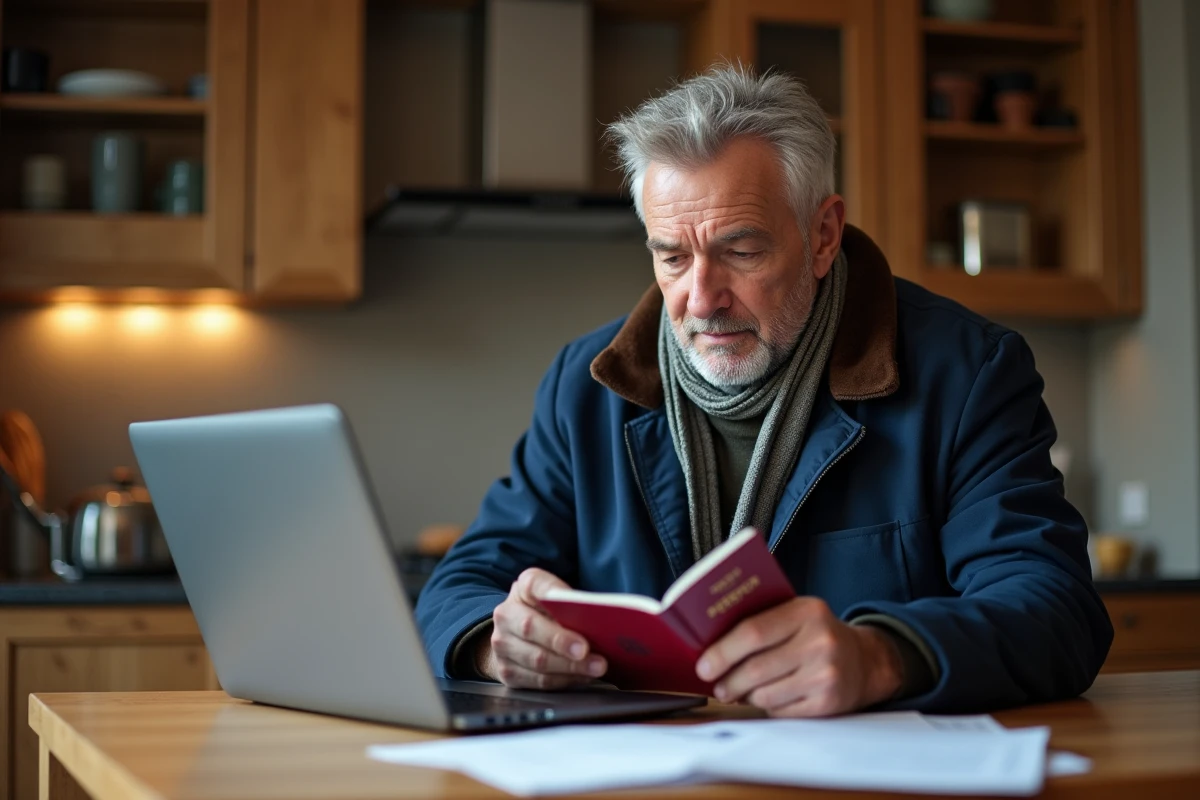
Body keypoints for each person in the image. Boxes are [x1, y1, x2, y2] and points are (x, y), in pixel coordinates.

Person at [416, 65, 1112, 716]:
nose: (701, 298)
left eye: (740, 251)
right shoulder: (583, 385)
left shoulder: (968, 373)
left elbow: (1056, 610)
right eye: (672, 256)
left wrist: (883, 655)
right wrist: (491, 641)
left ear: (822, 235)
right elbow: (458, 586)